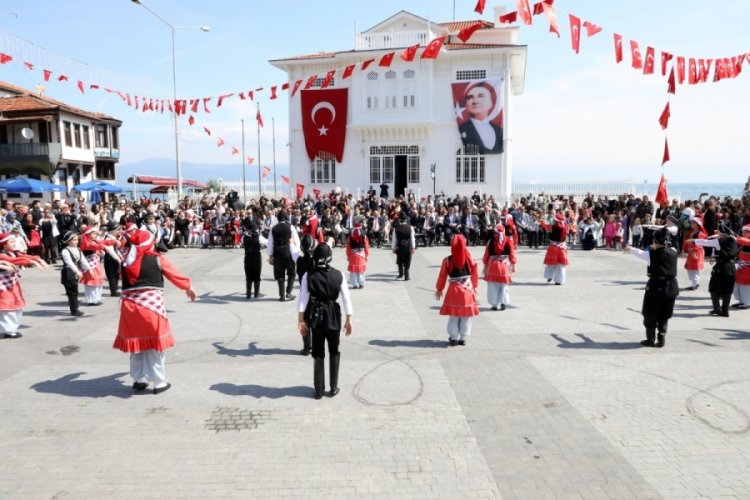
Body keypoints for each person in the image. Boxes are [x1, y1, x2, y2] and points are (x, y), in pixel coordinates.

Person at [113, 229, 197, 394]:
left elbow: (121, 277)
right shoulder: (157, 259)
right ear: (149, 244)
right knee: (154, 346)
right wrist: (188, 287)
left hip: (130, 309)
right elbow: (175, 275)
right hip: (151, 308)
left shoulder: (126, 260)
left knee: (137, 345)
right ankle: (158, 382)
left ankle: (138, 379)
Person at [297, 243, 353, 399]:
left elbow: (303, 299)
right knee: (334, 350)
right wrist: (349, 319)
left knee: (318, 351)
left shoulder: (308, 276)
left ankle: (319, 390)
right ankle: (333, 387)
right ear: (330, 258)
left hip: (316, 316)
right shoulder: (339, 274)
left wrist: (301, 320)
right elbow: (346, 299)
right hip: (333, 315)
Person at [625, 227, 679, 348]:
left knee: (650, 313)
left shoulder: (651, 254)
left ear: (655, 241)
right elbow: (669, 245)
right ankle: (661, 338)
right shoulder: (674, 251)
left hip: (656, 286)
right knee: (664, 314)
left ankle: (650, 339)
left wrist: (629, 248)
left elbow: (640, 253)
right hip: (671, 287)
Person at [0, 232, 48, 338]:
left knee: (17, 307)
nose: (14, 243)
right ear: (4, 244)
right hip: (4, 286)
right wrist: (33, 262)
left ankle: (12, 328)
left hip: (13, 284)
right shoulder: (2, 255)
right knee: (8, 309)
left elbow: (23, 256)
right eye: (11, 241)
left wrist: (37, 259)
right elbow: (14, 261)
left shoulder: (14, 252)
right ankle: (9, 331)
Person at [435, 234, 479, 345]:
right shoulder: (471, 259)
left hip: (453, 290)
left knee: (454, 315)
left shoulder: (447, 260)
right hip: (467, 290)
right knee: (466, 315)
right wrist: (475, 286)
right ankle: (463, 337)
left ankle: (453, 337)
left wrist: (439, 289)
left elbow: (442, 276)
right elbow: (475, 274)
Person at [691, 221, 740, 317]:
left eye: (718, 229)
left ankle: (717, 308)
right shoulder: (734, 239)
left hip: (721, 267)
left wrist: (692, 240)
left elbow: (706, 242)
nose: (717, 230)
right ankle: (725, 310)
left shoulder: (719, 240)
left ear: (722, 230)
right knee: (727, 290)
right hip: (731, 267)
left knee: (713, 287)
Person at [457, 81, 503, 154]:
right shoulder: (462, 128)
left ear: (491, 103)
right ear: (466, 105)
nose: (475, 101)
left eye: (480, 96)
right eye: (470, 97)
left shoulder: (499, 130)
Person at [267, 210, 300, 302]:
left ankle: (282, 295)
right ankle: (288, 292)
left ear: (277, 218)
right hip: (288, 252)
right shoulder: (291, 227)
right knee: (291, 273)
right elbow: (296, 241)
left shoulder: (273, 228)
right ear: (286, 218)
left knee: (280, 275)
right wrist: (297, 251)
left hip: (277, 252)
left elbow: (270, 243)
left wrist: (270, 256)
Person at [482, 223, 516, 311]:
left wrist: (485, 267)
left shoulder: (490, 241)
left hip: (493, 266)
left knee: (493, 286)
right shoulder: (508, 240)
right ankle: (503, 302)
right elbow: (512, 253)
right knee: (504, 286)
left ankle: (494, 304)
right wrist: (514, 265)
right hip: (505, 265)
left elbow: (486, 255)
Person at [60, 231, 87, 317]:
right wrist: (77, 271)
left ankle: (75, 308)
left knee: (75, 290)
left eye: (77, 240)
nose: (76, 241)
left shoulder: (78, 249)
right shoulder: (65, 251)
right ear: (68, 241)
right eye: (74, 240)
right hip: (68, 273)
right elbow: (69, 263)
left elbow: (83, 260)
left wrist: (89, 269)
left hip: (75, 272)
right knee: (71, 292)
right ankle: (74, 310)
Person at [540, 212, 569, 285]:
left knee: (551, 263)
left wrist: (542, 221)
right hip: (562, 247)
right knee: (560, 265)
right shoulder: (565, 226)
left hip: (553, 247)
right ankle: (559, 280)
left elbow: (546, 226)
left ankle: (549, 275)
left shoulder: (553, 227)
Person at [242, 218, 266, 299]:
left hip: (248, 257)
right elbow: (267, 242)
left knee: (248, 275)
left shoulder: (244, 237)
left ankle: (248, 293)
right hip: (256, 257)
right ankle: (256, 293)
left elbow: (243, 239)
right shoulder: (259, 237)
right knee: (257, 275)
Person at [681, 216, 707, 291]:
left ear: (697, 224)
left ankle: (695, 283)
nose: (691, 224)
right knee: (691, 268)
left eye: (693, 223)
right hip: (692, 251)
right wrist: (685, 249)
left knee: (695, 268)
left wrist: (695, 251)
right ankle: (694, 283)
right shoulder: (693, 232)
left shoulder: (700, 233)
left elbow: (699, 243)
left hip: (696, 251)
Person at [345, 218, 370, 289]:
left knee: (353, 271)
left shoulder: (351, 237)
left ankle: (355, 284)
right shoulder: (364, 235)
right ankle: (361, 283)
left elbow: (348, 247)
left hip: (353, 254)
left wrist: (348, 255)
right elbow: (366, 245)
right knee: (361, 269)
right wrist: (367, 254)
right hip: (361, 254)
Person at [392, 211, 415, 280]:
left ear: (399, 220)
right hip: (408, 246)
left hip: (399, 246)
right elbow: (412, 238)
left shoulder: (396, 228)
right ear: (406, 220)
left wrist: (393, 248)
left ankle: (400, 274)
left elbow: (394, 239)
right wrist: (413, 247)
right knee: (408, 260)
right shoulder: (410, 227)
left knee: (399, 260)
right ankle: (407, 276)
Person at [102, 221, 123, 297]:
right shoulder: (108, 238)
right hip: (110, 258)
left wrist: (119, 255)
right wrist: (117, 258)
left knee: (116, 274)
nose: (119, 231)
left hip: (115, 257)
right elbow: (110, 251)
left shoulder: (113, 238)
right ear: (112, 230)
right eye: (117, 229)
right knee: (112, 275)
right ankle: (113, 291)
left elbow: (116, 249)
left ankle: (115, 289)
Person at [732, 224, 750, 309]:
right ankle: (741, 301)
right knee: (738, 284)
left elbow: (739, 240)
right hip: (741, 266)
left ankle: (746, 303)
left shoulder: (747, 241)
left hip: (748, 268)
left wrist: (732, 237)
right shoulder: (744, 241)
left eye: (745, 232)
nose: (743, 233)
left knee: (745, 286)